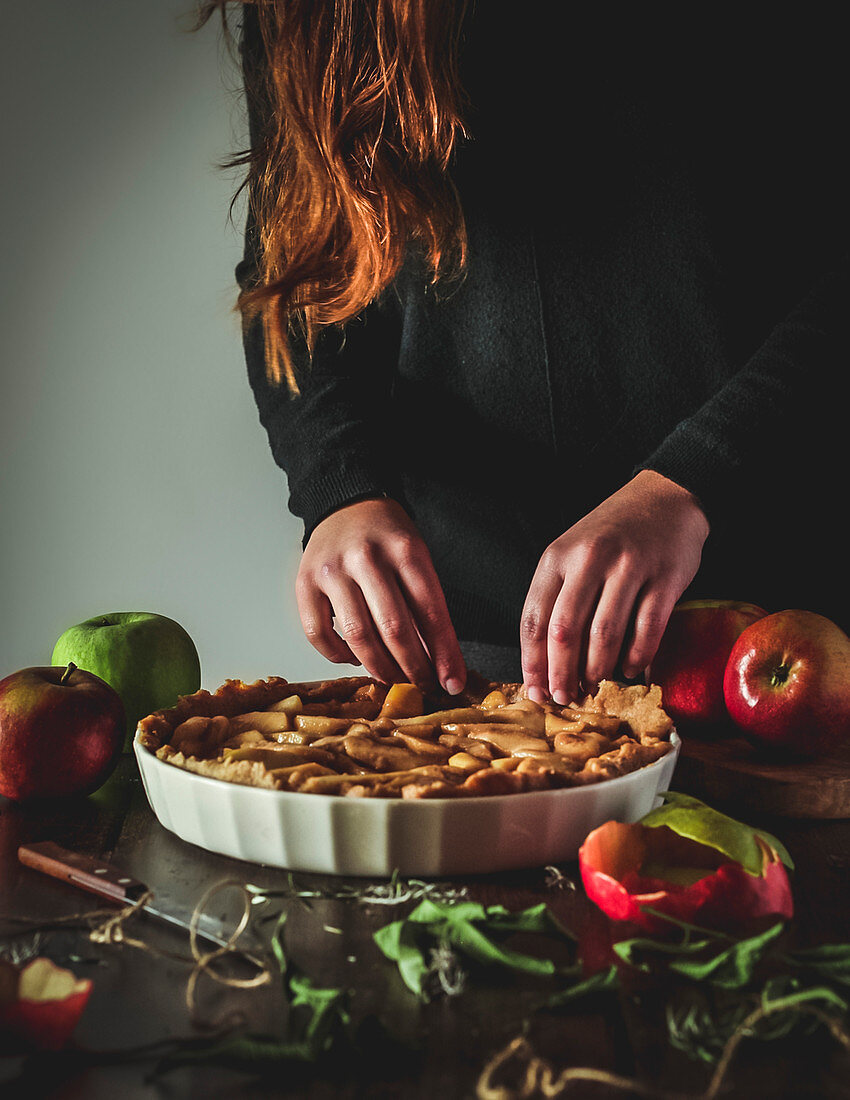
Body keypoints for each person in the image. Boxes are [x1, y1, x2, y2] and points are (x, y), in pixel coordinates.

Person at [199, 2, 849, 698]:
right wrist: (340, 490)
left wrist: (698, 476)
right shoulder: (307, 13)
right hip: (472, 644)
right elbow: (298, 274)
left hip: (790, 624)